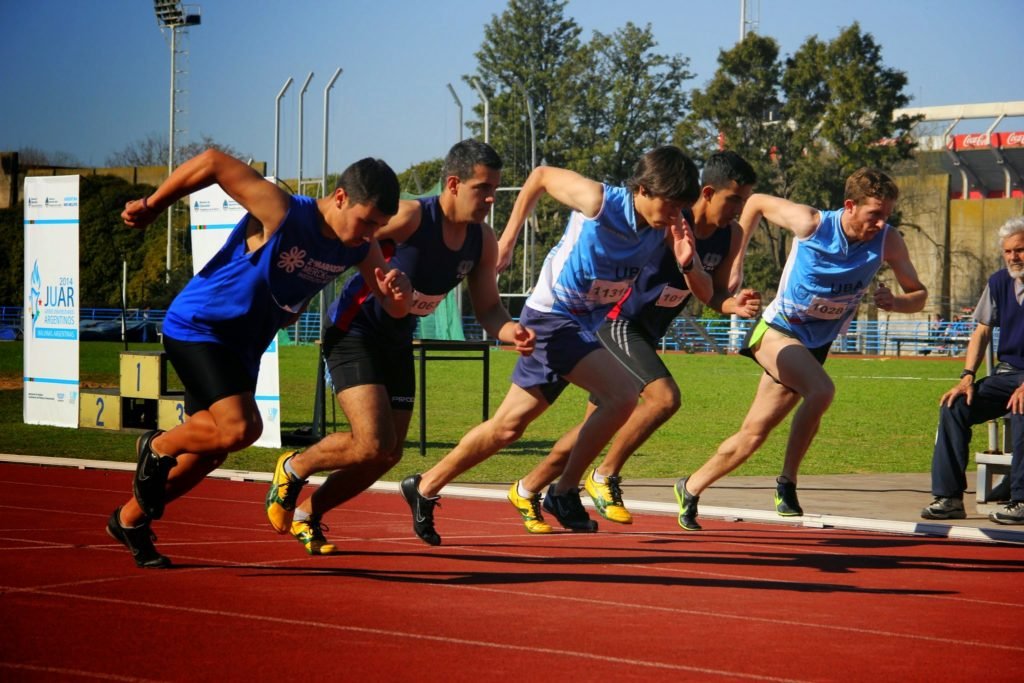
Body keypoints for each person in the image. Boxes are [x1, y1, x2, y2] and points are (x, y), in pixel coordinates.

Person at [109, 149, 411, 568]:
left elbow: (390, 303)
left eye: (379, 227)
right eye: (367, 221)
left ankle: (129, 520)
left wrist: (400, 296)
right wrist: (152, 204)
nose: (370, 234)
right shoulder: (285, 211)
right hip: (201, 326)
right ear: (340, 197)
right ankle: (158, 445)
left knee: (208, 454)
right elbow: (214, 161)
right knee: (241, 428)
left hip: (244, 347)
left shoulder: (358, 247)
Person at [400, 145, 701, 545]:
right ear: (643, 190)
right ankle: (563, 492)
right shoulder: (598, 200)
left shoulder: (666, 229)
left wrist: (687, 261)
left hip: (584, 327)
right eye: (671, 204)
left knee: (507, 427)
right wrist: (506, 240)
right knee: (622, 396)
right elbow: (540, 175)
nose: (677, 214)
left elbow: (709, 291)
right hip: (552, 318)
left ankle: (423, 486)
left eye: (683, 206)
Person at [264, 140, 536, 555]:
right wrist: (296, 296)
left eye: (494, 189)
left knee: (387, 453)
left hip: (397, 339)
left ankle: (308, 514)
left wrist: (512, 331)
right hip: (354, 331)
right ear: (453, 184)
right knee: (371, 441)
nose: (490, 198)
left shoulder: (481, 240)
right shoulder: (410, 216)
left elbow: (489, 309)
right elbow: (344, 238)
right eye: (483, 188)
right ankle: (294, 466)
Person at [505, 151, 762, 532]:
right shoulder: (669, 216)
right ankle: (604, 476)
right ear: (707, 193)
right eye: (735, 199)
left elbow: (713, 294)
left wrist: (732, 303)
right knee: (663, 398)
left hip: (647, 332)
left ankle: (529, 490)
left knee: (592, 430)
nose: (739, 209)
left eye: (744, 201)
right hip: (616, 322)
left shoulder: (731, 235)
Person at [673, 168, 928, 530]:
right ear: (850, 206)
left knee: (753, 435)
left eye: (887, 215)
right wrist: (735, 263)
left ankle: (690, 487)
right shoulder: (811, 223)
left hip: (816, 343)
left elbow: (918, 295)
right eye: (874, 214)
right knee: (822, 390)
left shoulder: (888, 241)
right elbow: (758, 202)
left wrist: (897, 302)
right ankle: (787, 483)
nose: (880, 223)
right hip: (777, 331)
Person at [921, 216, 1024, 525]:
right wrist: (966, 377)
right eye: (1007, 252)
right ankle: (949, 497)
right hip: (1008, 374)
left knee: (1022, 408)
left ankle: (1020, 499)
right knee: (954, 406)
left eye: (1019, 250)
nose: (1012, 257)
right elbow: (981, 331)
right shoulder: (998, 282)